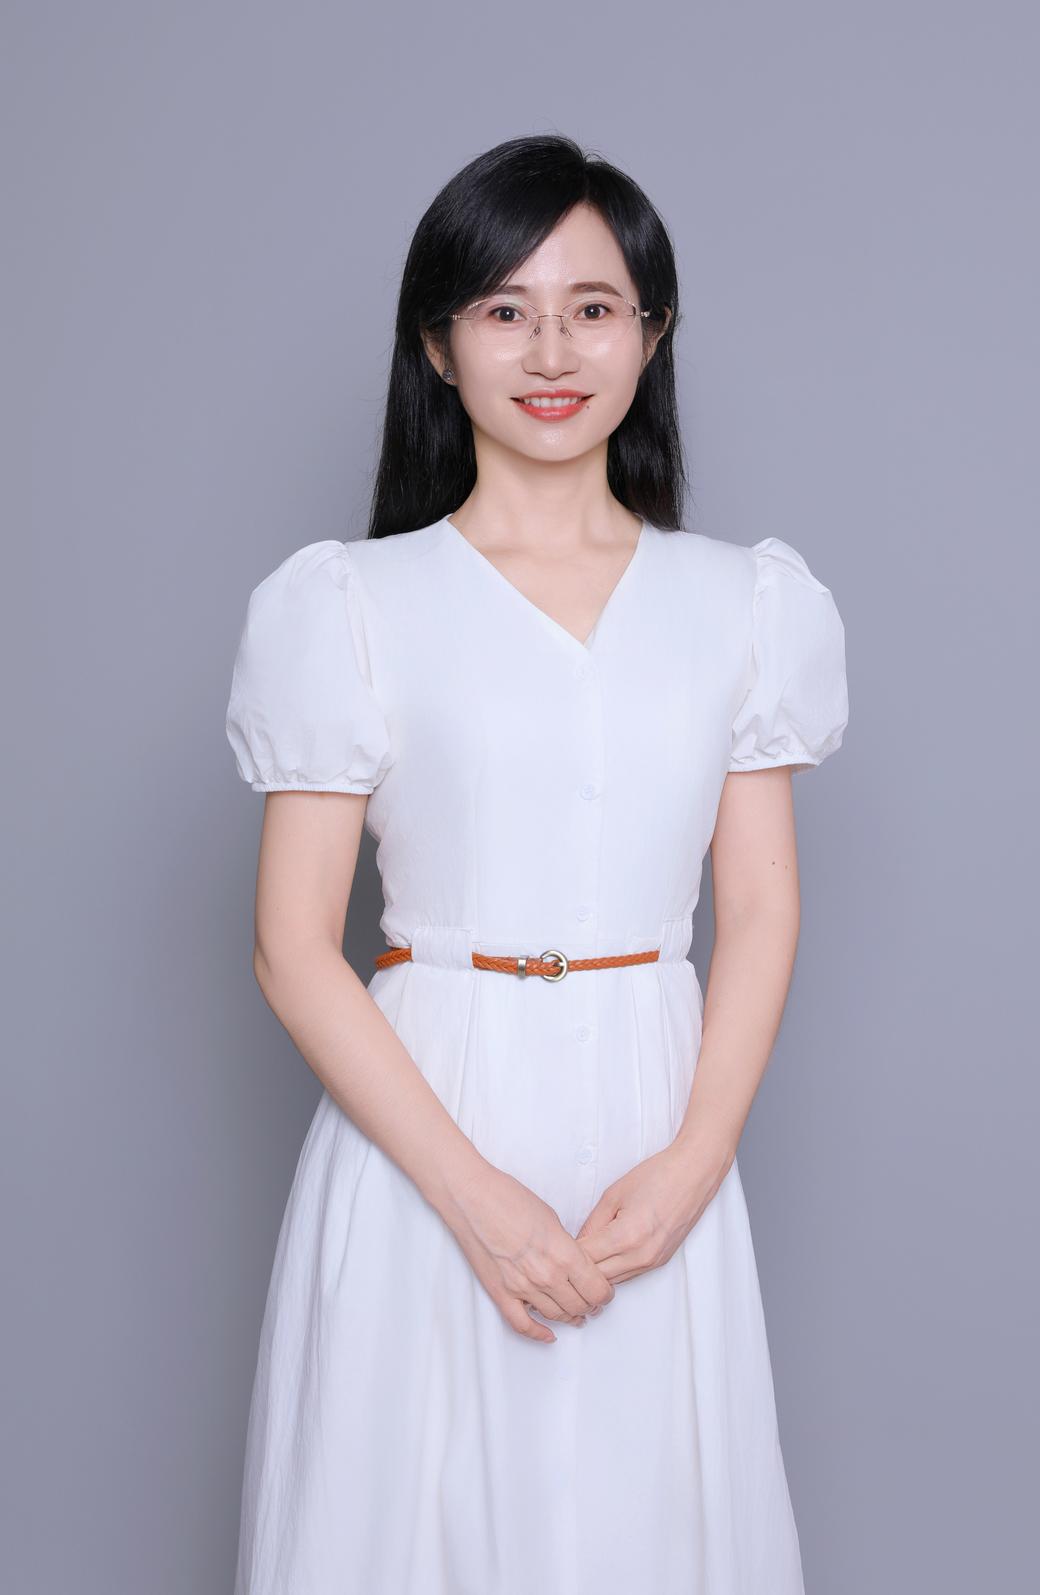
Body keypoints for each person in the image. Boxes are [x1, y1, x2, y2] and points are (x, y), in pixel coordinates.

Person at [224, 132, 848, 1595]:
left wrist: (695, 1160)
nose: (552, 349)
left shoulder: (745, 604)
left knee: (650, 1523)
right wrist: (477, 1200)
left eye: (594, 306)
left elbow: (760, 908)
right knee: (407, 1519)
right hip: (427, 1115)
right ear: (438, 346)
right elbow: (292, 946)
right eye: (505, 309)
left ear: (653, 334)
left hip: (656, 1116)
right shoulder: (349, 603)